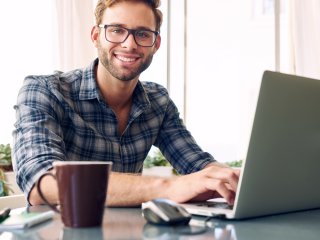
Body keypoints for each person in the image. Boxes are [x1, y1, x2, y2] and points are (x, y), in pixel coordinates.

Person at [13, 0, 240, 207]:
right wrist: (169, 187)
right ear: (95, 36)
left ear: (156, 43)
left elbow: (197, 164)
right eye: (116, 30)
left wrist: (236, 180)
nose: (129, 44)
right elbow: (42, 183)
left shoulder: (158, 102)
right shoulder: (45, 90)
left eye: (142, 34)